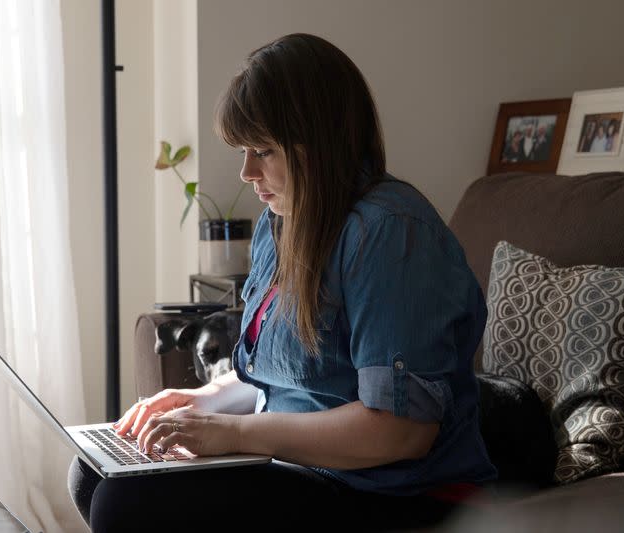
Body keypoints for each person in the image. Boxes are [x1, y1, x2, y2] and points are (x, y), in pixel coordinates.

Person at [68, 33, 496, 532]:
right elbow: (286, 378)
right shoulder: (283, 223)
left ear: (322, 143)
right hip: (307, 471)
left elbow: (399, 432)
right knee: (93, 475)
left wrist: (236, 433)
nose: (248, 172)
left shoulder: (391, 234)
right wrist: (202, 402)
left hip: (397, 493)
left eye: (264, 151)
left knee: (127, 505)